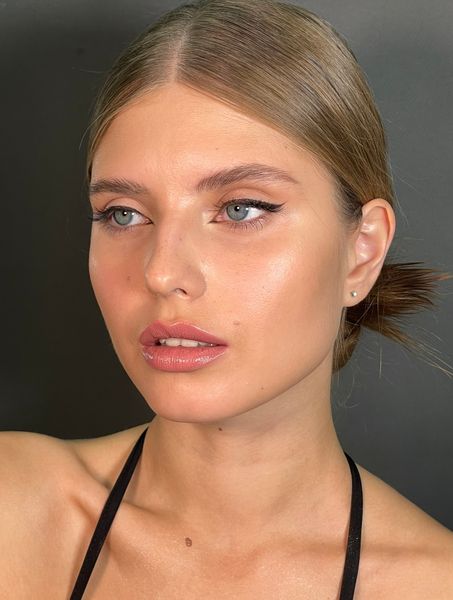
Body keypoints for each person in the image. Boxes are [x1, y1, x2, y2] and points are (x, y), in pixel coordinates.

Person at [1, 0, 452, 597]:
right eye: (123, 213)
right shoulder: (13, 509)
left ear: (361, 251)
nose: (161, 272)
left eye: (241, 209)